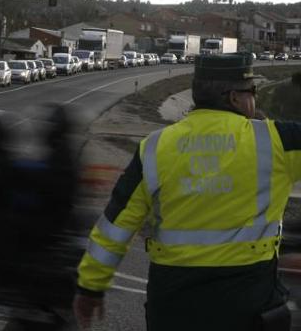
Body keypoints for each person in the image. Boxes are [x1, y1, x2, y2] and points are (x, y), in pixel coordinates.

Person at [73, 52, 299, 331]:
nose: (255, 99)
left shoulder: (155, 147)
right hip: (247, 305)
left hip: (173, 304)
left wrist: (90, 287)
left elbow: (115, 226)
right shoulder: (277, 141)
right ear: (233, 98)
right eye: (251, 91)